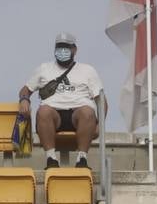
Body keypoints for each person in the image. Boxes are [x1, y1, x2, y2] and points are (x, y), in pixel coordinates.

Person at [18, 31, 107, 169]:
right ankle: (51, 159)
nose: (62, 51)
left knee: (88, 112)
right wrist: (24, 99)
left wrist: (100, 124)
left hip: (79, 115)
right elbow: (25, 89)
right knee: (43, 111)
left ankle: (82, 159)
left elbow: (101, 101)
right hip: (53, 114)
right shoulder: (44, 68)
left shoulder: (88, 70)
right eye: (59, 47)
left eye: (66, 47)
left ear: (74, 50)